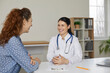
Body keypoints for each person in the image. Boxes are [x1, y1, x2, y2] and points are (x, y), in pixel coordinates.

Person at [0, 8, 40, 73]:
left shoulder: (15, 38)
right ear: (24, 22)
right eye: (30, 21)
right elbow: (31, 67)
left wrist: (28, 58)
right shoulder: (12, 41)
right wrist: (38, 61)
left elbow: (26, 55)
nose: (31, 24)